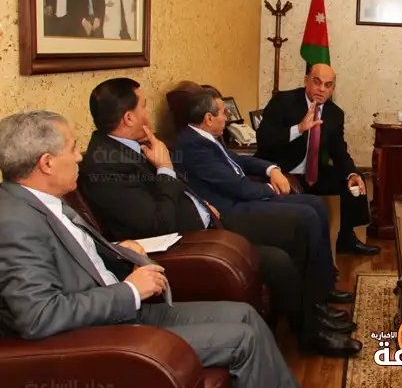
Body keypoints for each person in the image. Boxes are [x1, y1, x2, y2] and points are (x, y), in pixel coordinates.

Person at [0, 111, 371, 388]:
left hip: (120, 309)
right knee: (242, 340)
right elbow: (39, 316)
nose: (79, 155)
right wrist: (130, 290)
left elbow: (75, 257)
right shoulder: (16, 222)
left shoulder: (43, 200)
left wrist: (117, 251)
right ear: (46, 163)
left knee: (246, 315)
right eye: (71, 148)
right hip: (101, 332)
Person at [77, 78, 360, 357]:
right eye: (142, 106)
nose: (147, 113)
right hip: (185, 242)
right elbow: (156, 223)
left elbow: (181, 186)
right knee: (281, 257)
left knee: (296, 230)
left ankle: (314, 317)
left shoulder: (135, 145)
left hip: (209, 218)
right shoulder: (106, 165)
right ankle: (311, 333)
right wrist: (164, 169)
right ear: (128, 118)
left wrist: (200, 202)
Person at [171, 89, 362, 351]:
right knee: (306, 216)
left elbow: (237, 161)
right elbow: (236, 186)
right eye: (223, 112)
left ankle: (317, 301)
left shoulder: (205, 137)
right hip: (230, 214)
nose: (227, 117)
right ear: (208, 118)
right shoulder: (192, 146)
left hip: (240, 202)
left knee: (314, 205)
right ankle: (311, 322)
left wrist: (271, 169)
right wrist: (272, 189)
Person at [256, 64, 380, 256]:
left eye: (328, 85)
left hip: (311, 173)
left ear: (333, 89)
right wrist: (299, 129)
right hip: (282, 171)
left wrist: (352, 173)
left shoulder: (335, 113)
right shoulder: (283, 101)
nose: (322, 89)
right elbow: (264, 138)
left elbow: (339, 151)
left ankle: (346, 239)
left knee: (354, 181)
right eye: (317, 82)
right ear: (306, 81)